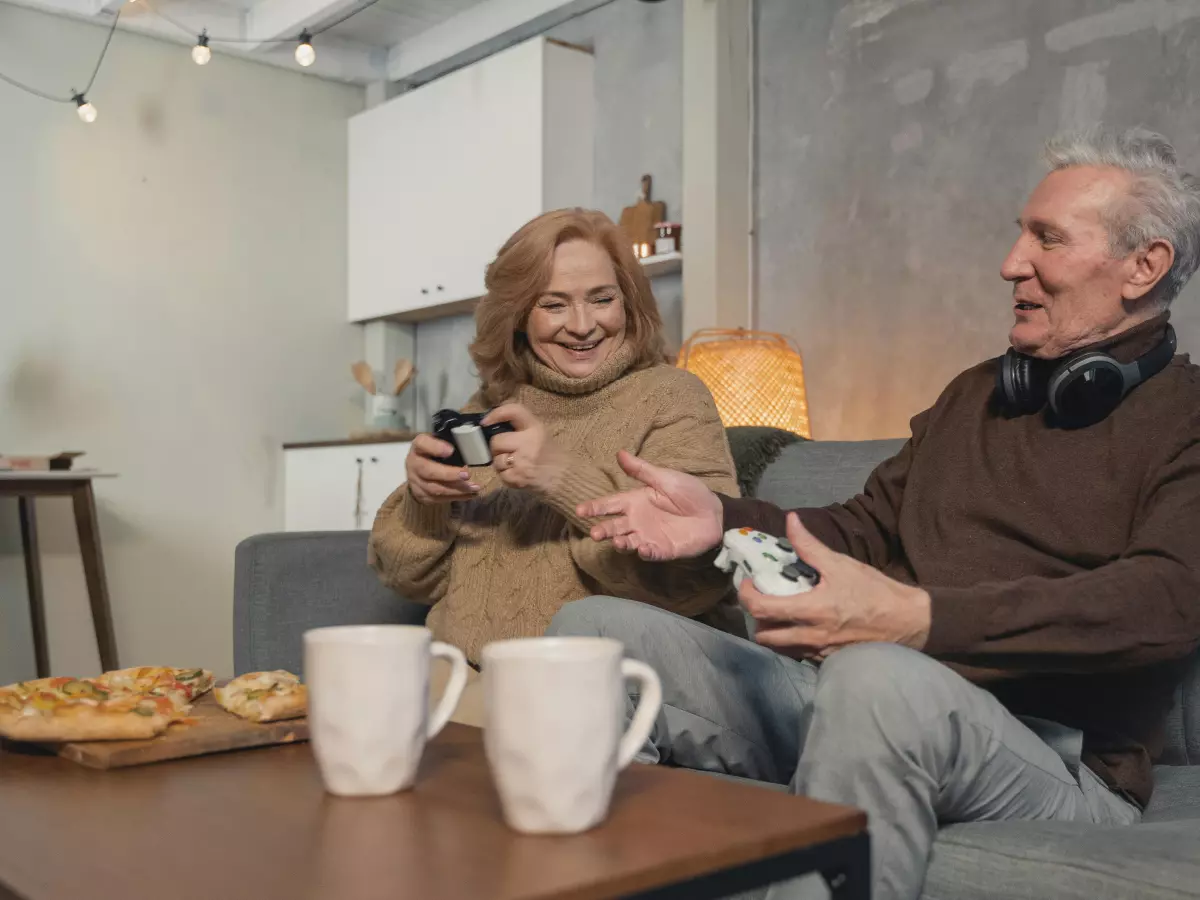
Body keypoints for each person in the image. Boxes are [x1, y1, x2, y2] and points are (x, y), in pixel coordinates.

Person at [547, 127, 1200, 900]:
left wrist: (919, 619)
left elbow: (1162, 601)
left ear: (1143, 266)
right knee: (595, 637)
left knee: (877, 679)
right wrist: (720, 523)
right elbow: (859, 529)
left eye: (1047, 239)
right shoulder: (975, 394)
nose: (1010, 262)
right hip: (861, 692)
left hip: (1050, 755)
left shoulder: (1185, 417)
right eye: (1021, 233)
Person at [368, 208, 741, 721]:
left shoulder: (673, 398)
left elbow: (699, 581)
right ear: (518, 315)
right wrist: (424, 503)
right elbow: (408, 581)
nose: (583, 326)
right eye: (554, 305)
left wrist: (561, 479)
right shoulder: (488, 406)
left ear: (629, 303)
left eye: (602, 299)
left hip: (583, 692)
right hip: (457, 677)